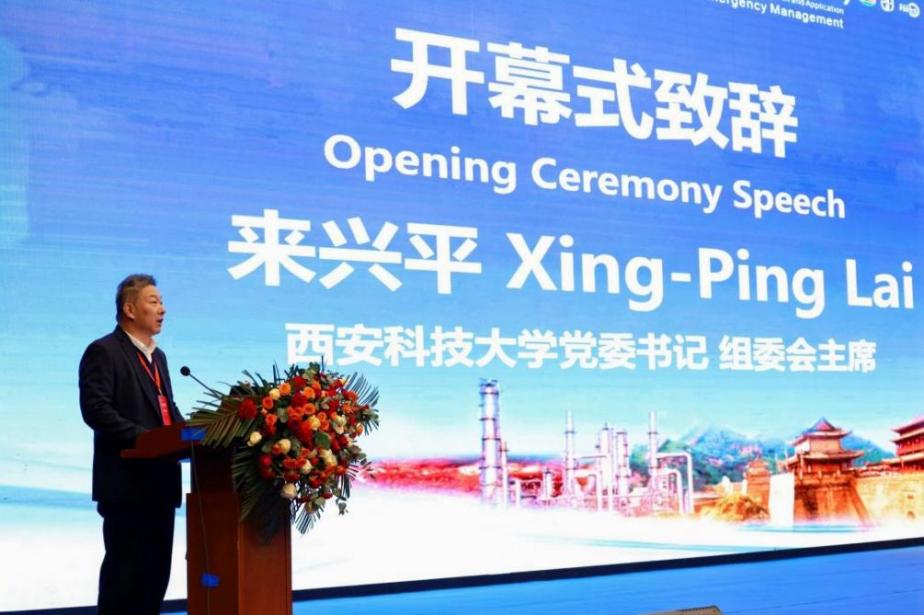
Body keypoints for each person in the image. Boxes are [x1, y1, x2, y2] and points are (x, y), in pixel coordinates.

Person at [79, 274, 184, 615]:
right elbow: (96, 410)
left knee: (154, 580)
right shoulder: (104, 351)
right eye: (154, 302)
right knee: (125, 580)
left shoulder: (159, 357)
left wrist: (193, 434)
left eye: (162, 302)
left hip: (161, 484)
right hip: (127, 486)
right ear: (129, 309)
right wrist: (144, 439)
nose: (162, 309)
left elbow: (166, 409)